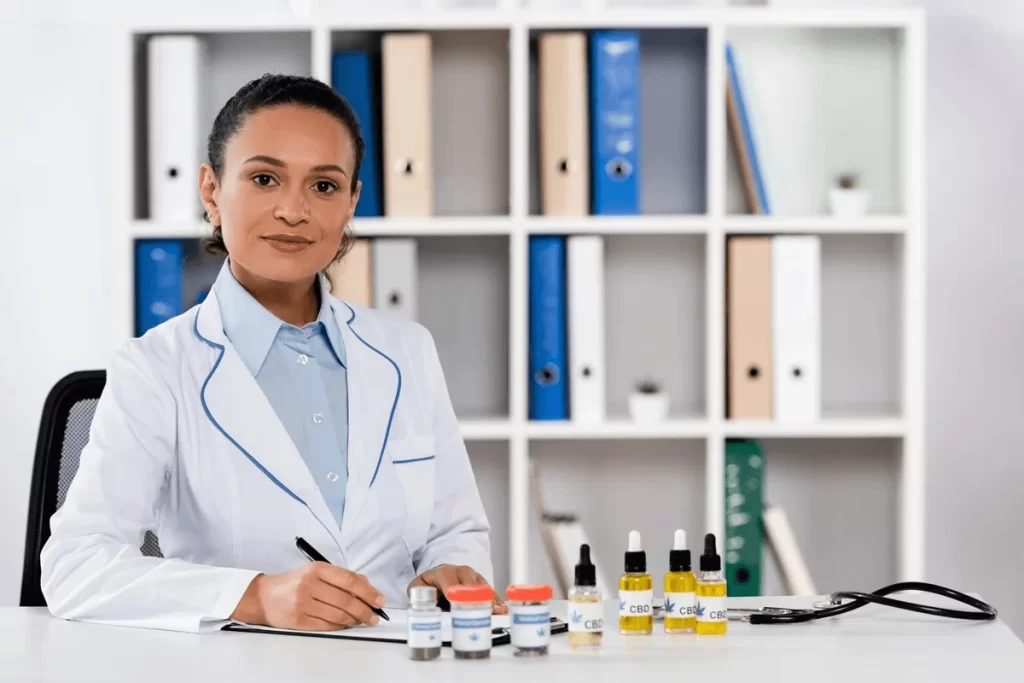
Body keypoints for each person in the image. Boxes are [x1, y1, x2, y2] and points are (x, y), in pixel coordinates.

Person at [39, 73, 504, 633]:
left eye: (324, 186)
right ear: (211, 191)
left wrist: (450, 574)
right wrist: (252, 597)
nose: (294, 210)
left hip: (401, 660)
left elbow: (456, 534)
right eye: (264, 178)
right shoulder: (157, 369)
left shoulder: (407, 351)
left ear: (352, 201)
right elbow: (75, 566)